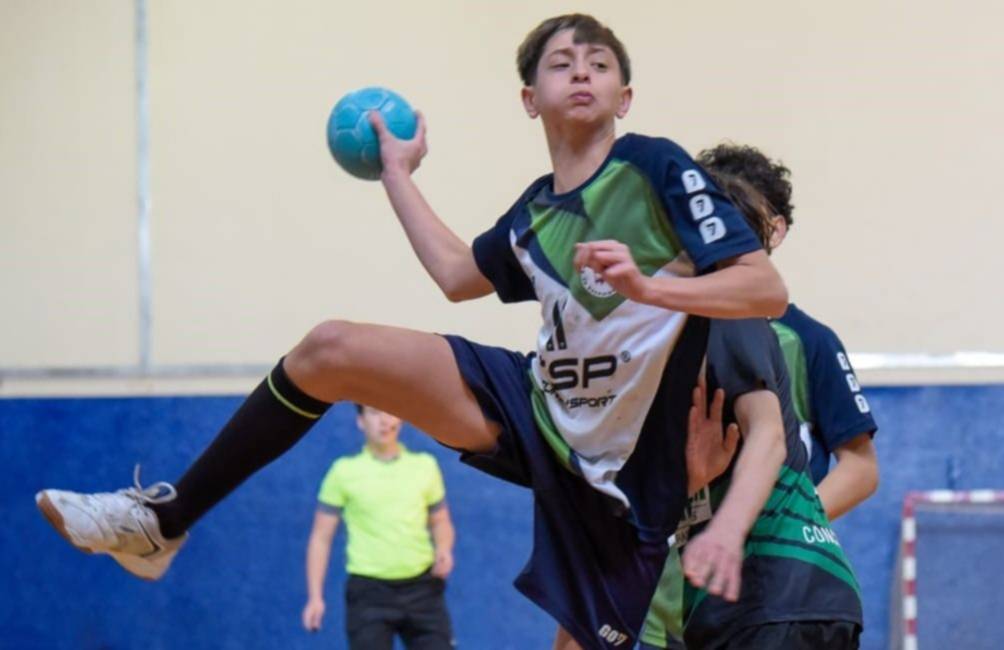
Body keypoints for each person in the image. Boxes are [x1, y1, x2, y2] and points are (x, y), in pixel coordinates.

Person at [35, 14, 788, 649]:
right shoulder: (535, 212)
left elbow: (764, 288)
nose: (582, 71)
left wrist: (650, 287)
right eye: (561, 64)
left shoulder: (655, 166)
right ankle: (161, 523)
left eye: (599, 63)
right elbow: (459, 275)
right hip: (538, 409)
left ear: (625, 95)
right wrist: (397, 173)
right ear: (530, 99)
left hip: (624, 478)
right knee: (330, 349)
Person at [640, 155, 875, 649]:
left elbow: (843, 462)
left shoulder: (784, 333)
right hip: (696, 591)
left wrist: (757, 521)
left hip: (769, 581)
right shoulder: (661, 340)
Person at [302, 404, 455, 649]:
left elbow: (440, 521)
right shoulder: (343, 472)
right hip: (369, 593)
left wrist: (444, 548)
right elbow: (321, 538)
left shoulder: (425, 466)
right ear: (361, 421)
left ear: (401, 419)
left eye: (391, 411)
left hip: (423, 588)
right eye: (374, 412)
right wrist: (315, 597)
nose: (384, 420)